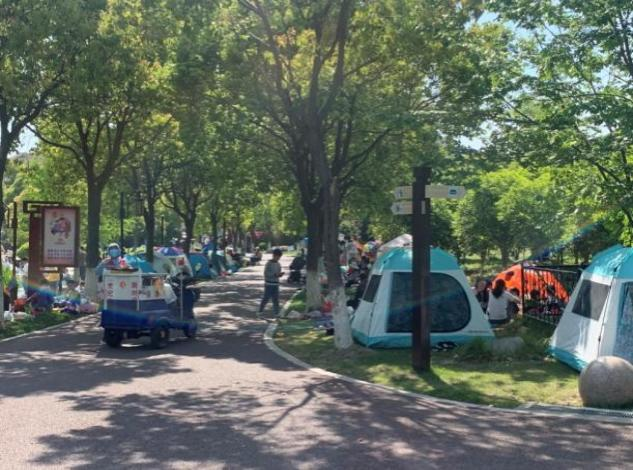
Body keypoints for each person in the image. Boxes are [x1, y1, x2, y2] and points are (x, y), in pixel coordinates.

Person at [257, 248, 284, 317]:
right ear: (274, 255)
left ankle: (276, 313)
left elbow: (278, 273)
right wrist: (274, 275)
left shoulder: (278, 264)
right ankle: (260, 311)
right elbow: (266, 273)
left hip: (276, 284)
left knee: (276, 299)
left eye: (279, 257)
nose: (278, 258)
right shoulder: (269, 263)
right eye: (277, 256)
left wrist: (279, 275)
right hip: (269, 284)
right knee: (266, 298)